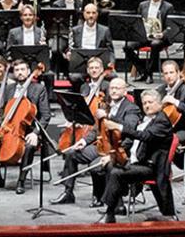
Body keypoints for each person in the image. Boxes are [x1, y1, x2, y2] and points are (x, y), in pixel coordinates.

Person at [57, 75, 138, 206]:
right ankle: (68, 193)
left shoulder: (131, 108)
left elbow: (130, 129)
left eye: (117, 88)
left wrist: (109, 117)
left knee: (96, 166)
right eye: (112, 88)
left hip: (119, 148)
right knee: (71, 153)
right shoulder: (106, 105)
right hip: (101, 146)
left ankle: (100, 197)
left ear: (125, 91)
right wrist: (83, 141)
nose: (114, 91)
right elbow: (96, 129)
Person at [100, 89, 175, 224]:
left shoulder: (162, 121)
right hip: (138, 162)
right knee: (110, 166)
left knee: (116, 173)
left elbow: (145, 136)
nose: (146, 105)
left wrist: (119, 127)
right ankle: (116, 206)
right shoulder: (145, 120)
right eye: (144, 103)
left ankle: (109, 212)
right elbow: (132, 132)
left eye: (150, 102)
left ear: (159, 104)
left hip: (152, 167)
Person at [0, 58, 48, 194]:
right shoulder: (9, 88)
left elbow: (46, 116)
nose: (20, 72)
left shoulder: (39, 88)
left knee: (29, 146)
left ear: (29, 71)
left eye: (23, 69)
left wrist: (35, 133)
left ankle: (21, 180)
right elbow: (2, 113)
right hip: (10, 128)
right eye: (17, 70)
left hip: (29, 131)